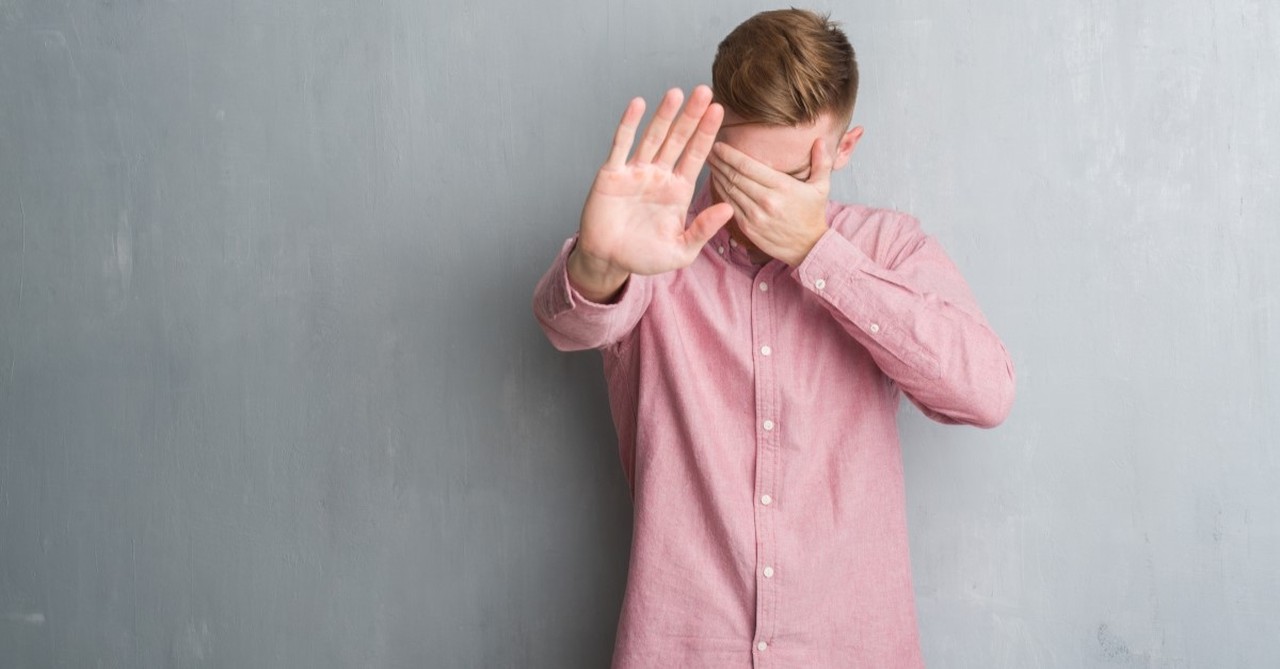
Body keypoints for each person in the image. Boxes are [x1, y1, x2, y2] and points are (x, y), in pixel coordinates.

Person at [532, 8, 1015, 668]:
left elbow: (985, 392)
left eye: (786, 182)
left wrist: (821, 253)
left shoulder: (889, 248)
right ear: (712, 144)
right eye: (739, 173)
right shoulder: (657, 248)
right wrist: (598, 261)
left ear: (843, 149)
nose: (762, 208)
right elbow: (569, 322)